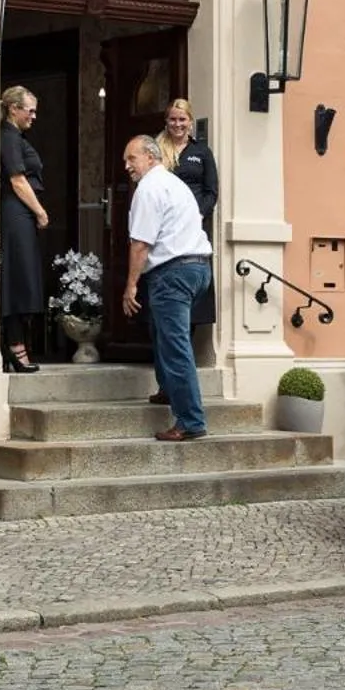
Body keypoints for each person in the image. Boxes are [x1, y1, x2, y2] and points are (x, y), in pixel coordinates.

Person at [119, 135, 213, 441]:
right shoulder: (174, 183)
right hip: (198, 267)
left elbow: (140, 244)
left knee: (175, 346)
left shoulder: (148, 188)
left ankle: (190, 420)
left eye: (131, 159)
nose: (127, 166)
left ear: (150, 156)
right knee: (163, 333)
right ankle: (167, 388)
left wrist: (130, 285)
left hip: (173, 271)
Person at [148, 99, 219, 404]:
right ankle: (166, 385)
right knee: (161, 321)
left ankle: (175, 387)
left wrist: (194, 214)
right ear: (167, 121)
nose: (177, 125)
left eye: (182, 120)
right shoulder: (156, 149)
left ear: (191, 122)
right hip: (163, 236)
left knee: (185, 318)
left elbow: (211, 191)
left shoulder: (201, 152)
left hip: (192, 237)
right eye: (172, 119)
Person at [0, 86, 50, 374]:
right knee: (18, 280)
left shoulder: (16, 136)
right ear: (13, 109)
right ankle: (15, 346)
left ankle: (16, 345)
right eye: (29, 110)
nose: (33, 115)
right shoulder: (8, 137)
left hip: (21, 213)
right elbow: (17, 181)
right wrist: (40, 212)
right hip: (16, 212)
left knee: (25, 278)